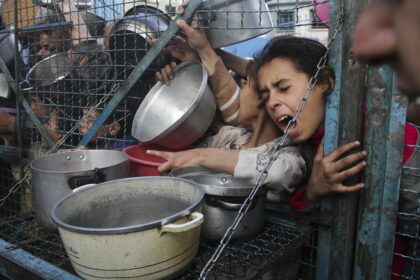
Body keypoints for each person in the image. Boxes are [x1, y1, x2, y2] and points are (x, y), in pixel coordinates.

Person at [148, 22, 337, 204]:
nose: (272, 101)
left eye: (284, 88)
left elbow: (281, 172)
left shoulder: (292, 154)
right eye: (266, 92)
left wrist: (200, 156)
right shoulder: (232, 136)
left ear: (324, 83)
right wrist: (177, 84)